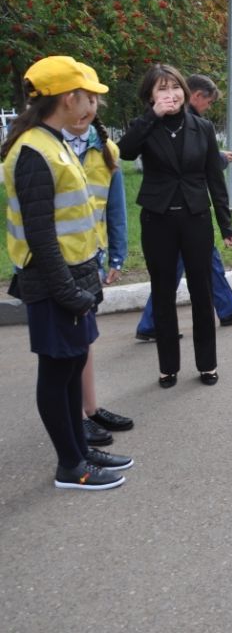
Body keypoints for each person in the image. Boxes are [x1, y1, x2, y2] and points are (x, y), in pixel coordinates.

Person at [2, 56, 133, 490]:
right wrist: (68, 292)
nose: (94, 103)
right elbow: (40, 237)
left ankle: (81, 450)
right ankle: (69, 466)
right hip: (54, 282)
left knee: (73, 365)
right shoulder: (34, 152)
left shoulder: (53, 140)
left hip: (75, 277)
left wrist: (86, 281)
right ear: (67, 97)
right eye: (89, 95)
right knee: (56, 374)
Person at [118, 64, 232, 388]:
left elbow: (214, 177)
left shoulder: (202, 128)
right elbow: (124, 152)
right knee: (163, 291)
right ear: (151, 95)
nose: (170, 95)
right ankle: (167, 367)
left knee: (201, 291)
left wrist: (226, 224)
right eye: (161, 89)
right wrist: (152, 116)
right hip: (158, 220)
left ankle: (207, 364)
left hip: (196, 219)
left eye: (175, 88)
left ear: (184, 90)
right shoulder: (147, 127)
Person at [134, 74, 232, 341]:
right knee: (173, 272)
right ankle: (151, 323)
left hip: (194, 211)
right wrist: (218, 161)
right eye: (209, 102)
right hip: (173, 213)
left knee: (210, 264)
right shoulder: (168, 122)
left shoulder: (196, 126)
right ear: (198, 96)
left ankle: (227, 308)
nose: (208, 108)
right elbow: (188, 167)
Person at [59, 69, 135, 445]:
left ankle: (90, 408)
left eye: (92, 100)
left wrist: (117, 256)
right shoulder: (46, 147)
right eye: (80, 98)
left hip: (92, 256)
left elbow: (115, 210)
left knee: (86, 337)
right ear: (61, 101)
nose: (87, 107)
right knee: (68, 345)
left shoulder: (106, 149)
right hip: (58, 263)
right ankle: (75, 417)